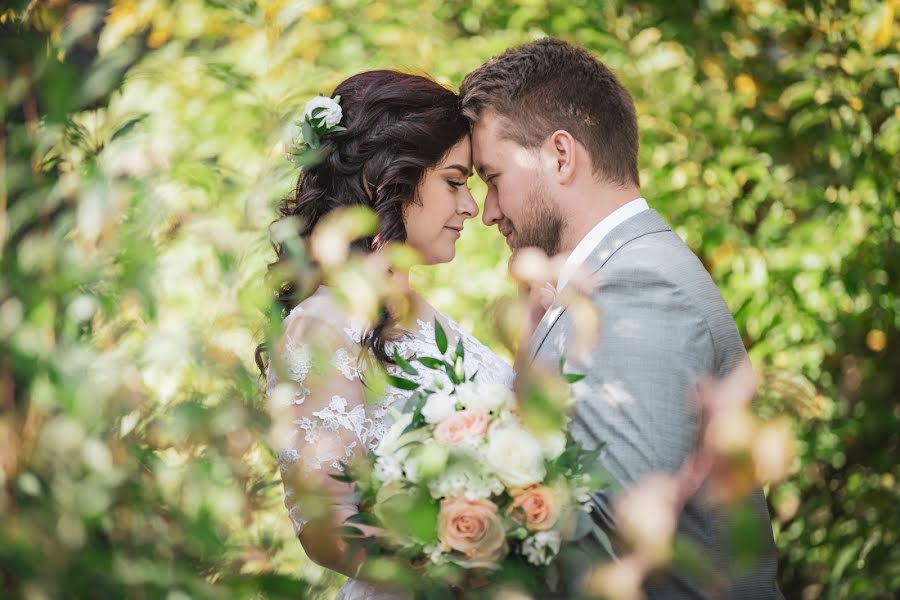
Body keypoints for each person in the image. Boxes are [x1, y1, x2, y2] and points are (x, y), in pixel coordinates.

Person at [460, 37, 783, 598]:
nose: (488, 211)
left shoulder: (639, 285)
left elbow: (621, 536)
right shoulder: (611, 276)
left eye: (492, 178)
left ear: (561, 155)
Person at [262, 70, 514, 600]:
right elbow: (327, 531)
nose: (470, 206)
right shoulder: (323, 327)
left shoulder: (423, 313)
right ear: (385, 180)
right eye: (453, 181)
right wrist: (466, 564)